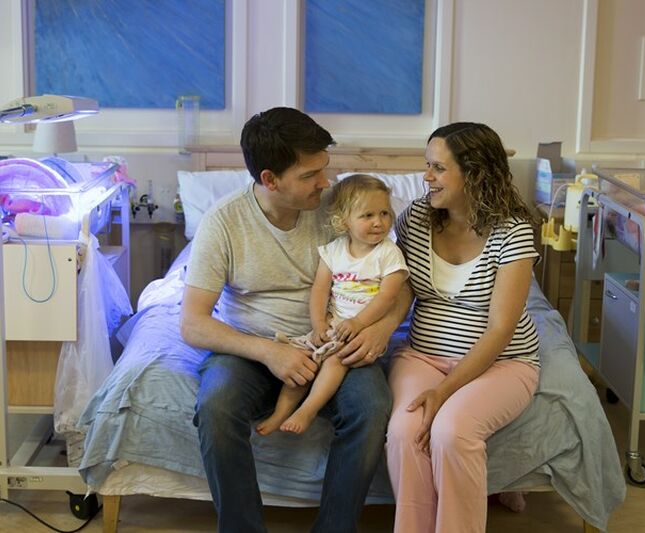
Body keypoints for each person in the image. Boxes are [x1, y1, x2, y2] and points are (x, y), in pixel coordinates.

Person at [180, 108, 403, 533]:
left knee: (372, 407)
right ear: (270, 179)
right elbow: (192, 324)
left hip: (333, 344)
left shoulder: (339, 209)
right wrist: (270, 352)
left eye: (325, 169)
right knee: (216, 406)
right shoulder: (223, 223)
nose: (326, 182)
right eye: (310, 175)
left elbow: (394, 274)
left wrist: (383, 326)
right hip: (250, 347)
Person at [386, 122, 542, 533]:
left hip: (502, 362)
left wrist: (444, 391)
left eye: (438, 168)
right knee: (405, 429)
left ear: (474, 174)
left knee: (452, 432)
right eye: (427, 166)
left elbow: (500, 329)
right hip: (422, 353)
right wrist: (373, 330)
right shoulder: (416, 217)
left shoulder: (513, 231)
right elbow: (402, 290)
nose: (426, 177)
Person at [256, 174, 408, 436]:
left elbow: (388, 297)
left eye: (384, 213)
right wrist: (318, 325)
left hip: (362, 330)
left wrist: (358, 323)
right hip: (333, 325)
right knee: (304, 361)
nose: (378, 222)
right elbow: (319, 291)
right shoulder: (334, 251)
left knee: (334, 361)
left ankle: (308, 410)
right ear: (343, 221)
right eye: (367, 215)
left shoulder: (388, 253)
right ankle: (281, 413)